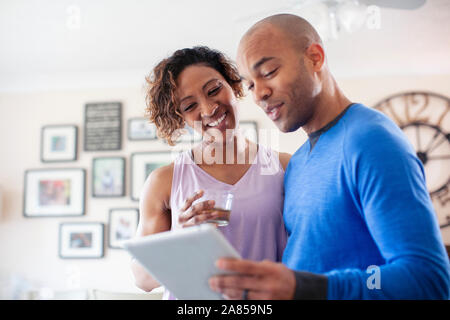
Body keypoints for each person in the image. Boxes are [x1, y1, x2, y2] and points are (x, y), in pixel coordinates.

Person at [208, 14, 450, 300]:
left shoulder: (371, 140)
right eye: (249, 85)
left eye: (269, 72)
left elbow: (427, 279)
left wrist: (308, 289)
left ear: (314, 58)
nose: (259, 94)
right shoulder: (297, 164)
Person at [130, 46, 290, 299]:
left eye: (214, 90)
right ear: (179, 117)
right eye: (190, 105)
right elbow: (142, 279)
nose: (207, 109)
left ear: (233, 86)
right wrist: (178, 237)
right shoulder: (164, 181)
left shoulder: (284, 167)